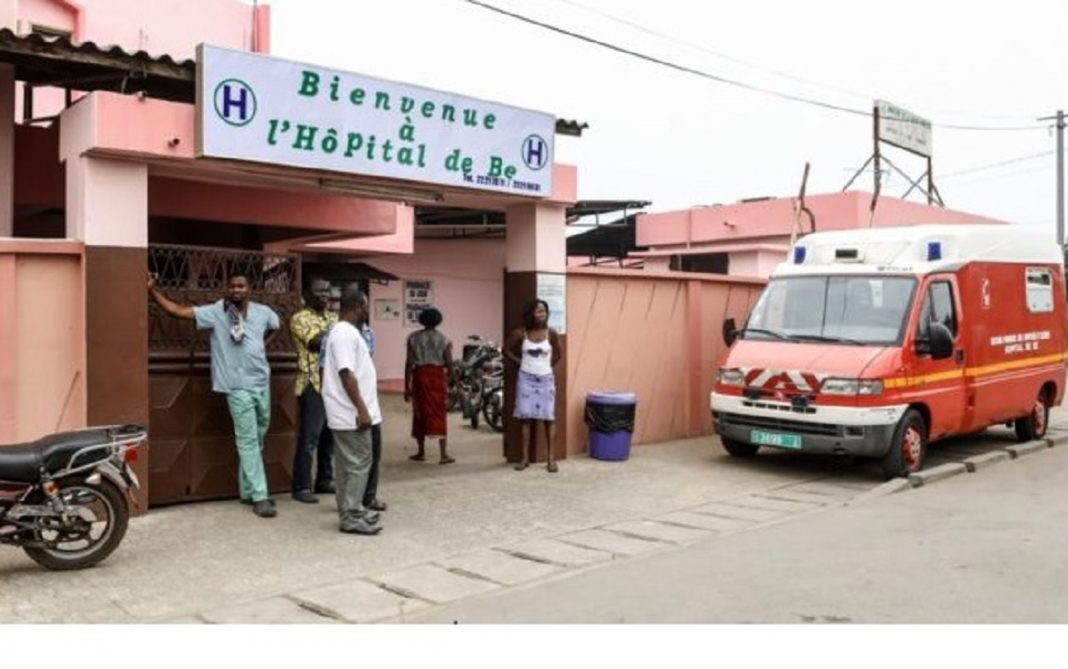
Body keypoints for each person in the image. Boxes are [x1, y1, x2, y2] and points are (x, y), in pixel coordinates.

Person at [148, 271, 281, 518]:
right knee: (248, 441)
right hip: (236, 387)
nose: (236, 290)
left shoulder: (263, 312)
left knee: (258, 438)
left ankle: (248, 491)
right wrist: (152, 291)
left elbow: (277, 325)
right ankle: (260, 496)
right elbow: (178, 311)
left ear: (249, 289)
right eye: (232, 286)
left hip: (262, 383)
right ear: (226, 289)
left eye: (241, 286)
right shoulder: (216, 312)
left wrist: (264, 345)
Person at [321, 286, 382, 535]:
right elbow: (346, 374)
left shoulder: (344, 333)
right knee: (358, 463)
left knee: (348, 465)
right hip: (351, 414)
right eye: (365, 307)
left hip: (348, 412)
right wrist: (362, 410)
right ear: (357, 307)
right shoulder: (345, 334)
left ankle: (350, 509)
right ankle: (352, 515)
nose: (367, 311)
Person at [289, 278, 338, 504]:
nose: (324, 294)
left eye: (327, 290)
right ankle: (301, 486)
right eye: (319, 291)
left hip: (333, 384)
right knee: (309, 438)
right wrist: (336, 334)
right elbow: (316, 343)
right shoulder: (300, 318)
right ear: (306, 294)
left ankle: (324, 480)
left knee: (329, 437)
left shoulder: (333, 318)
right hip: (312, 383)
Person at [505, 299, 562, 473]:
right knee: (525, 418)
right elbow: (506, 349)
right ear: (531, 314)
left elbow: (558, 354)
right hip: (526, 379)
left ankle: (551, 459)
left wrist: (546, 367)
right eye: (538, 311)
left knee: (549, 418)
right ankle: (525, 458)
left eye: (544, 311)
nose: (542, 314)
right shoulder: (520, 333)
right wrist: (519, 362)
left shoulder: (551, 333)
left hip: (546, 379)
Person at [404, 307, 456, 464]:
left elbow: (409, 363)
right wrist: (455, 382)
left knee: (419, 412)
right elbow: (449, 363)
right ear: (438, 321)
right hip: (437, 377)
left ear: (422, 320)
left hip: (420, 376)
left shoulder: (413, 338)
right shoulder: (444, 339)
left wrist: (407, 385)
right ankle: (443, 454)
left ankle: (421, 452)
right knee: (439, 413)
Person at [359, 314, 387, 512]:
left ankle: (368, 497)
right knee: (355, 459)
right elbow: (345, 374)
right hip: (356, 407)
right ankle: (352, 504)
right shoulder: (340, 335)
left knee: (373, 453)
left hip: (370, 404)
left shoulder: (368, 332)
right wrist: (361, 409)